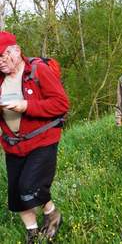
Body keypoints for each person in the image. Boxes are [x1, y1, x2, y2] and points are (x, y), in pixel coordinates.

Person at [0, 32, 69, 243]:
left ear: (16, 51)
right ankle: (33, 232)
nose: (0, 62)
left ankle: (52, 212)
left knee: (28, 186)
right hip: (13, 145)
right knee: (16, 196)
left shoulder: (38, 71)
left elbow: (61, 104)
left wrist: (27, 106)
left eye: (3, 57)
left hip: (42, 140)